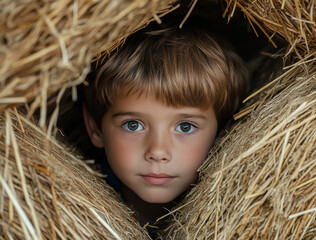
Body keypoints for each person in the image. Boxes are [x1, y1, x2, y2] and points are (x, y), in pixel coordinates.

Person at [82, 21, 249, 237]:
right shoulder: (81, 206)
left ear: (222, 133)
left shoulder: (231, 209)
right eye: (133, 125)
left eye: (185, 126)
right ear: (95, 127)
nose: (158, 152)